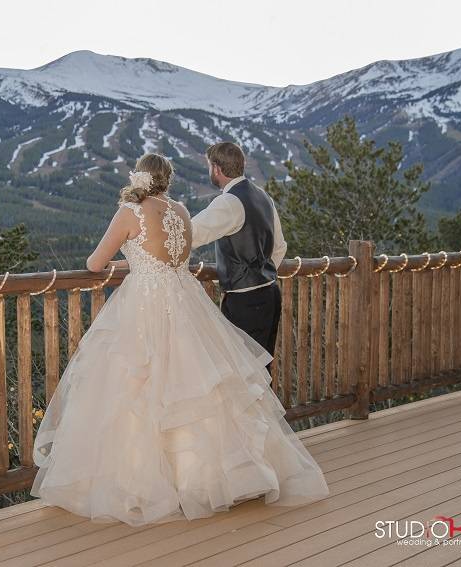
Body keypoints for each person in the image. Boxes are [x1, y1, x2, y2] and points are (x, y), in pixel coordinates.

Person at [30, 153, 329, 527]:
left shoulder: (130, 211)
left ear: (139, 177)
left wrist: (122, 262)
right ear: (167, 179)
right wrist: (134, 260)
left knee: (139, 385)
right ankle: (215, 476)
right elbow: (172, 260)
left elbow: (94, 264)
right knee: (195, 385)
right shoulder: (183, 211)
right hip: (184, 300)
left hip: (144, 305)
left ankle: (147, 481)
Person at [191, 142, 286, 363]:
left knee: (243, 371)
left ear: (216, 168)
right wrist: (262, 272)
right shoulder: (263, 196)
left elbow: (191, 235)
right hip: (271, 294)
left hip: (246, 300)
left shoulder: (228, 202)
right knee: (263, 369)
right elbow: (280, 247)